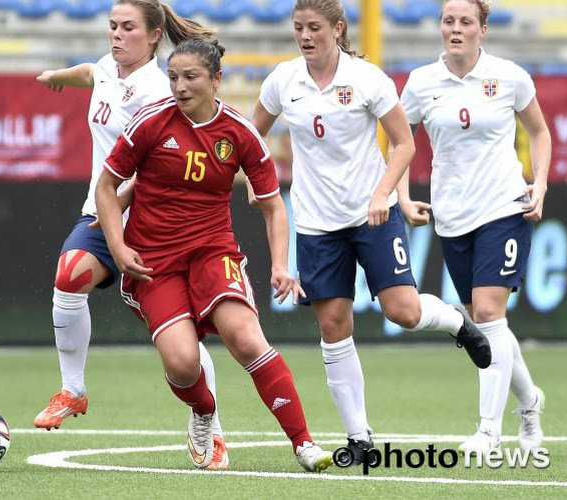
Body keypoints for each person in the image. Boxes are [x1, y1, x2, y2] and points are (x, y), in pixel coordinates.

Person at [250, 0, 492, 465]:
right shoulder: (283, 80)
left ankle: (457, 322)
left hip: (371, 215)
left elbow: (403, 142)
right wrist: (258, 178)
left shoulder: (367, 79)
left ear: (337, 29)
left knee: (402, 311)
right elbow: (250, 134)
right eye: (298, 27)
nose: (305, 36)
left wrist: (384, 193)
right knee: (333, 324)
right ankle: (358, 437)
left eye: (314, 28)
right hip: (318, 223)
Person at [95, 37, 334, 472]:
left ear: (216, 80)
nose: (180, 87)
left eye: (191, 77)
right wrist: (118, 245)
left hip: (213, 251)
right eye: (173, 78)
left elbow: (273, 206)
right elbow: (106, 187)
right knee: (184, 365)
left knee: (246, 338)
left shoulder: (241, 133)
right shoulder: (150, 123)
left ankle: (304, 444)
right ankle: (204, 412)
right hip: (154, 261)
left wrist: (281, 265)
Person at [33, 0, 229, 469]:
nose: (115, 36)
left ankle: (211, 425)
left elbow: (160, 160)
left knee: (180, 338)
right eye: (112, 27)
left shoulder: (161, 91)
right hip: (103, 212)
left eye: (127, 28)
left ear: (154, 35)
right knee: (69, 276)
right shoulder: (107, 67)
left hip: (153, 219)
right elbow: (92, 73)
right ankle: (73, 391)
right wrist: (62, 74)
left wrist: (118, 204)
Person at [399, 0, 550, 454]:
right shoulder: (421, 83)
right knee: (486, 324)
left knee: (487, 312)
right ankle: (531, 401)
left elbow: (540, 132)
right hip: (452, 215)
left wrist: (539, 183)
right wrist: (402, 196)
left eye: (466, 21)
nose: (456, 29)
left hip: (504, 206)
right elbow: (400, 141)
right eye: (449, 21)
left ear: (483, 29)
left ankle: (488, 431)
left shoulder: (510, 76)